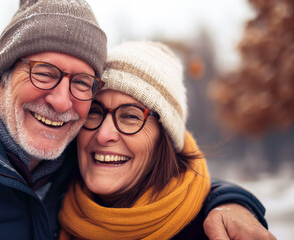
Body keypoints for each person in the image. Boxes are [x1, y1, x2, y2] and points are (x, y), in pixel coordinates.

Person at [0, 1, 273, 239]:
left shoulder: (66, 167)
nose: (61, 101)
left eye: (82, 84)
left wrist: (232, 203)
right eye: (44, 72)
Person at [59, 41, 276, 239]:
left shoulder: (212, 232)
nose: (104, 134)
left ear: (164, 139)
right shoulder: (50, 201)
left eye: (131, 116)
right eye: (95, 111)